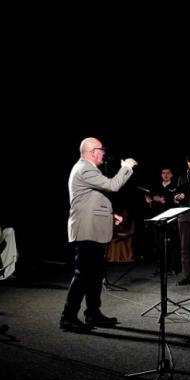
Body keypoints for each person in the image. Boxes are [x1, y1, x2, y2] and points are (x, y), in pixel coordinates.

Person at [60, 137, 138, 332]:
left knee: (95, 275)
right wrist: (126, 168)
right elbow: (112, 185)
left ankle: (93, 313)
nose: (104, 152)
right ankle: (68, 317)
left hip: (93, 229)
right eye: (101, 149)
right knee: (83, 274)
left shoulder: (89, 169)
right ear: (91, 151)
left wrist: (111, 216)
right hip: (86, 230)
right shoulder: (84, 168)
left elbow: (92, 200)